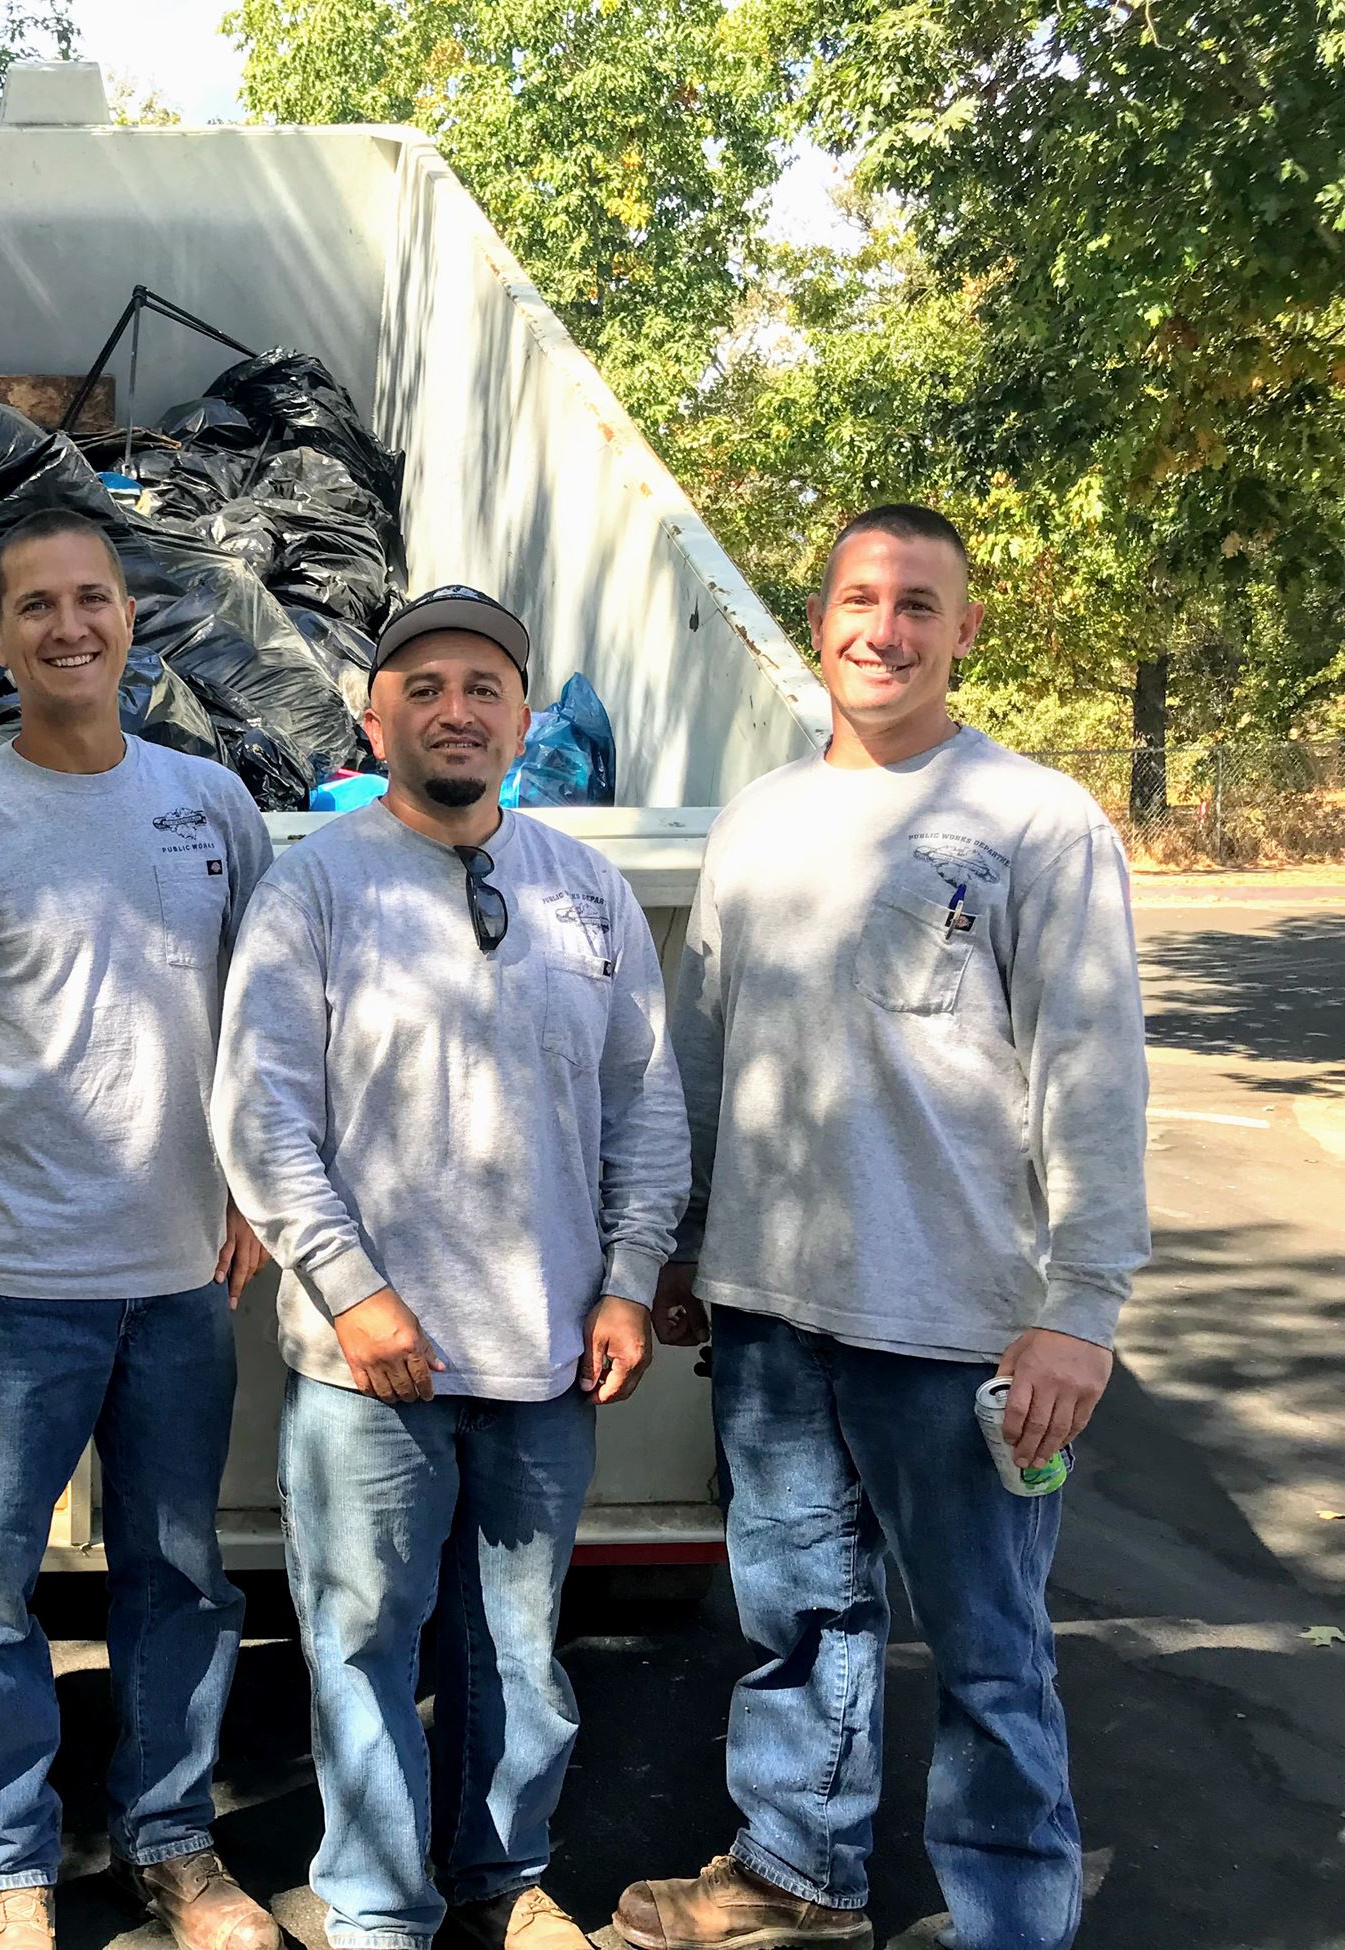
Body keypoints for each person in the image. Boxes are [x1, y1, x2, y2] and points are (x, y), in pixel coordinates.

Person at [609, 506, 1148, 1950]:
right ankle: (798, 1879)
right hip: (775, 1317)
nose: (885, 628)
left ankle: (1013, 1921)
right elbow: (702, 1055)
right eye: (861, 596)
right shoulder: (762, 821)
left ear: (966, 629)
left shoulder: (1037, 821)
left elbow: (1094, 1072)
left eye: (920, 602)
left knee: (991, 1659)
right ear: (821, 611)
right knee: (798, 1627)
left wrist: (1081, 1306)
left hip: (966, 1330)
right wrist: (674, 1240)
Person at [212, 586, 690, 1950]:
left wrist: (626, 1272)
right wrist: (351, 1289)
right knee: (362, 1642)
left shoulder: (585, 889)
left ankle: (503, 1875)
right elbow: (260, 1113)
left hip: (542, 1355)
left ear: (522, 718)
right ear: (375, 718)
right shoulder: (312, 886)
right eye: (423, 686)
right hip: (367, 1365)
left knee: (519, 1655)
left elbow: (642, 1101)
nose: (456, 709)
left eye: (484, 685)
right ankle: (373, 1905)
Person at [0, 507, 280, 1950]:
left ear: (130, 618)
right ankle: (7, 1865)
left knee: (177, 1576)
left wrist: (253, 1195)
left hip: (179, 1281)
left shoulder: (209, 803)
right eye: (34, 605)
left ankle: (173, 1842)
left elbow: (264, 1031)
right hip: (10, 1286)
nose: (68, 626)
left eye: (91, 599)